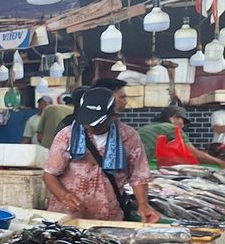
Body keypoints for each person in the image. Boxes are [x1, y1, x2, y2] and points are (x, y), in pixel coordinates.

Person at [42, 87, 159, 223]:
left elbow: (139, 176)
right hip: (67, 216)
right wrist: (64, 196)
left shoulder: (129, 136)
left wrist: (143, 205)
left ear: (113, 115)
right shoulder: (67, 135)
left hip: (108, 216)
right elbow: (49, 174)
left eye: (98, 122)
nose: (91, 127)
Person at [136, 106, 224, 168]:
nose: (182, 126)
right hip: (137, 166)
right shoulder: (171, 128)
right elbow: (194, 154)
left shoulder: (150, 126)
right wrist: (220, 162)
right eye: (183, 121)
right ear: (174, 118)